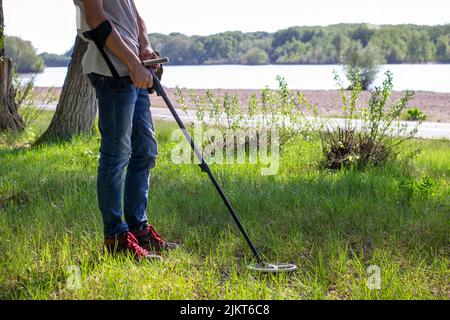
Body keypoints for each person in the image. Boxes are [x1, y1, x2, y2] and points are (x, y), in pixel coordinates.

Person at [74, 0, 177, 261]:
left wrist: (145, 48)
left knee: (144, 152)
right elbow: (96, 19)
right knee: (116, 156)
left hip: (135, 72)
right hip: (112, 73)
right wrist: (133, 64)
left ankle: (137, 229)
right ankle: (116, 238)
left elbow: (136, 17)